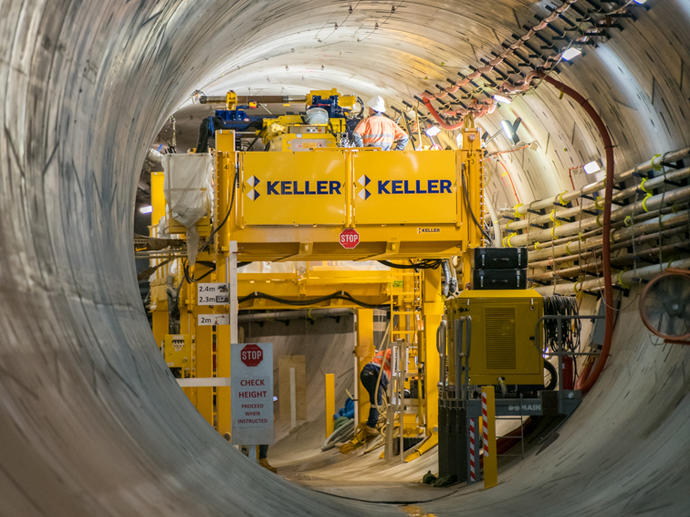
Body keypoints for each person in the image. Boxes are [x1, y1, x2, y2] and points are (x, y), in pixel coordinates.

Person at [360, 347, 392, 435]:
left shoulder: (386, 358)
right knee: (377, 402)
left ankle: (373, 422)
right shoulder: (393, 352)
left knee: (375, 400)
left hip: (366, 373)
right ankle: (371, 426)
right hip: (372, 374)